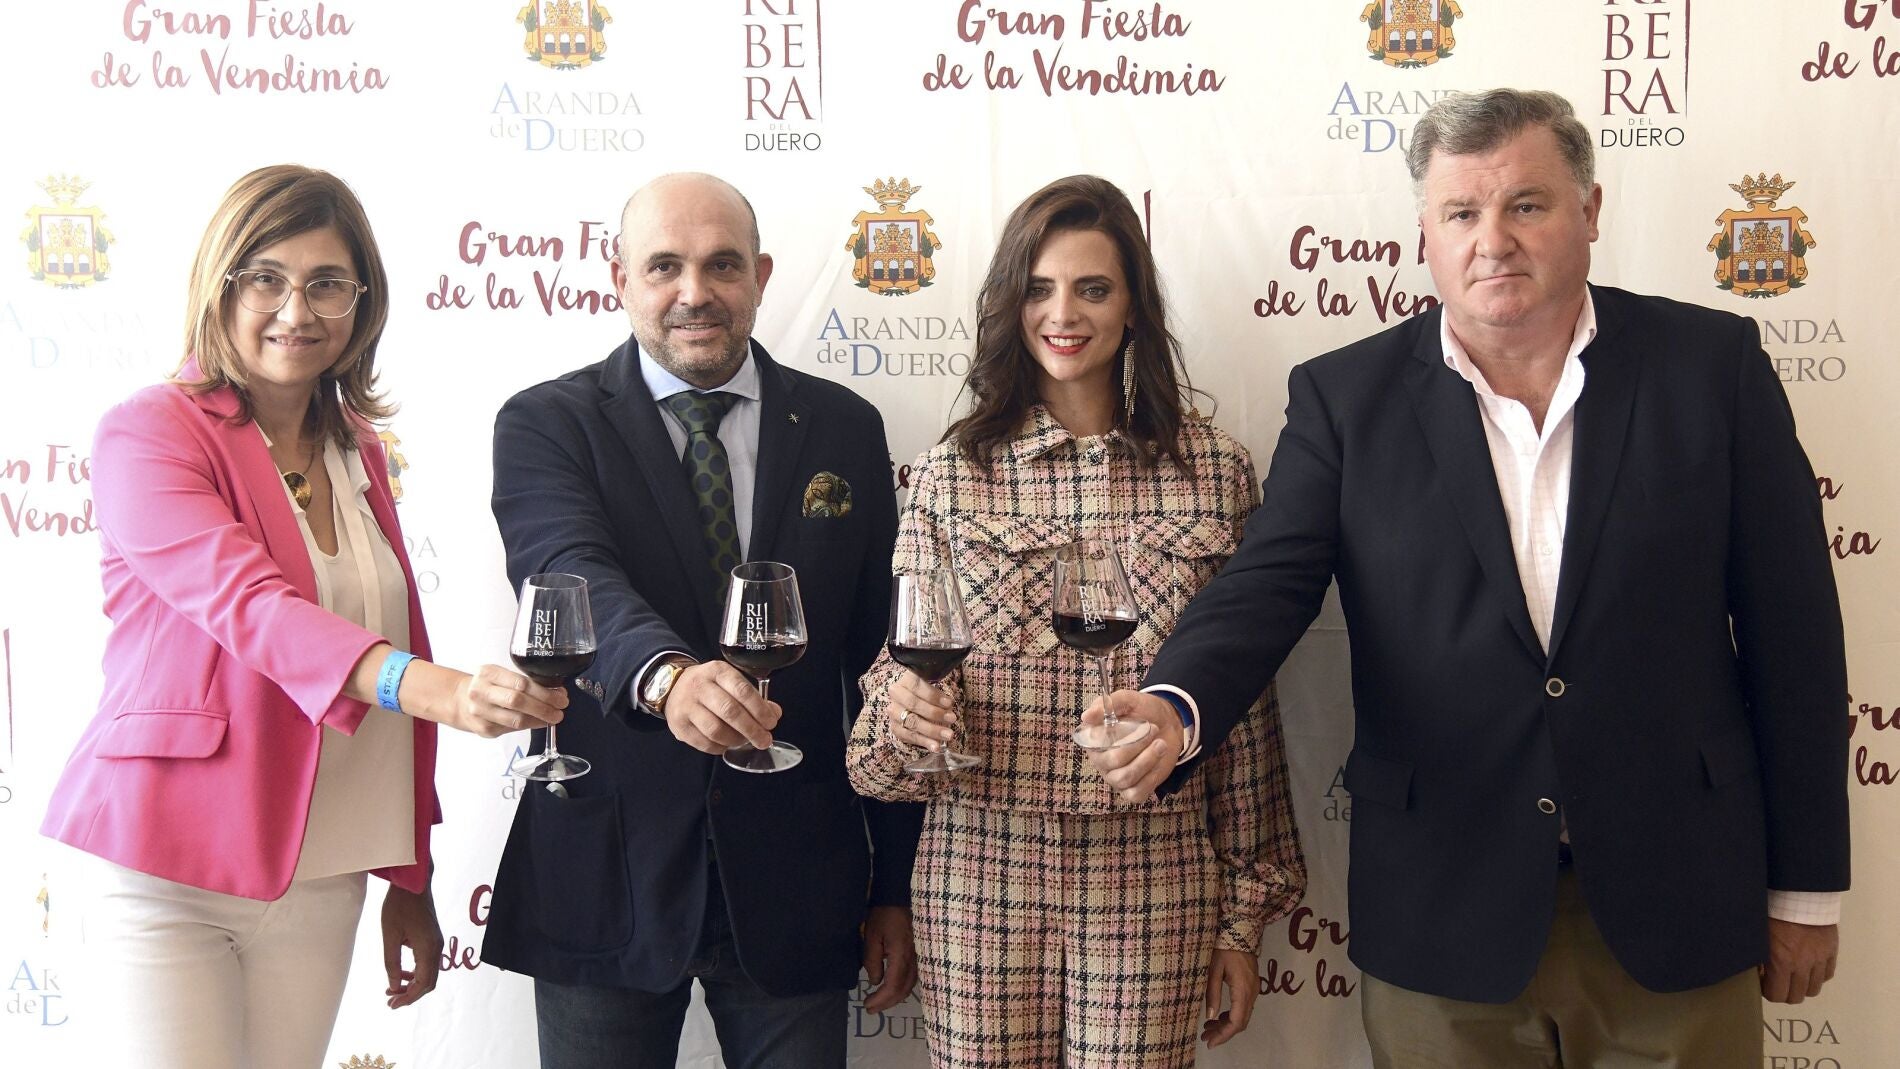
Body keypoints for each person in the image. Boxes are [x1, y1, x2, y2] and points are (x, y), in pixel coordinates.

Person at [1085, 89, 1850, 1066]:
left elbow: (1795, 640)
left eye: (1526, 204)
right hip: (1443, 914)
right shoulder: (1344, 398)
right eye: (1461, 212)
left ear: (1590, 211)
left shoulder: (1714, 368)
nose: (1493, 240)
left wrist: (1805, 891)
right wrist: (1174, 701)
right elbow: (1265, 587)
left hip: (1682, 902)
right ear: (1426, 234)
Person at [41, 164, 569, 1069]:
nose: (297, 310)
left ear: (362, 303)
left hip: (322, 869)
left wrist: (410, 874)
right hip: (163, 864)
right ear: (221, 286)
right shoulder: (150, 431)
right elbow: (251, 607)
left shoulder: (355, 447)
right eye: (266, 279)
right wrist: (435, 690)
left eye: (327, 283)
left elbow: (391, 624)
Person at [846, 175, 1306, 1069]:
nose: (1064, 314)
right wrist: (902, 712)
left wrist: (1243, 916)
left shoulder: (1213, 470)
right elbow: (893, 694)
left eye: (1093, 288)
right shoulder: (952, 473)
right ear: (1010, 305)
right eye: (1040, 288)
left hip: (1155, 866)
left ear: (1133, 306)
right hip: (981, 862)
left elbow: (1242, 704)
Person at [479, 172, 921, 1069]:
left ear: (761, 275)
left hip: (799, 879)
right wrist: (669, 679)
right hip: (603, 873)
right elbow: (571, 571)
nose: (695, 292)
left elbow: (882, 666)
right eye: (664, 266)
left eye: (722, 264)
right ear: (621, 280)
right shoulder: (547, 423)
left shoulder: (845, 427)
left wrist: (896, 883)